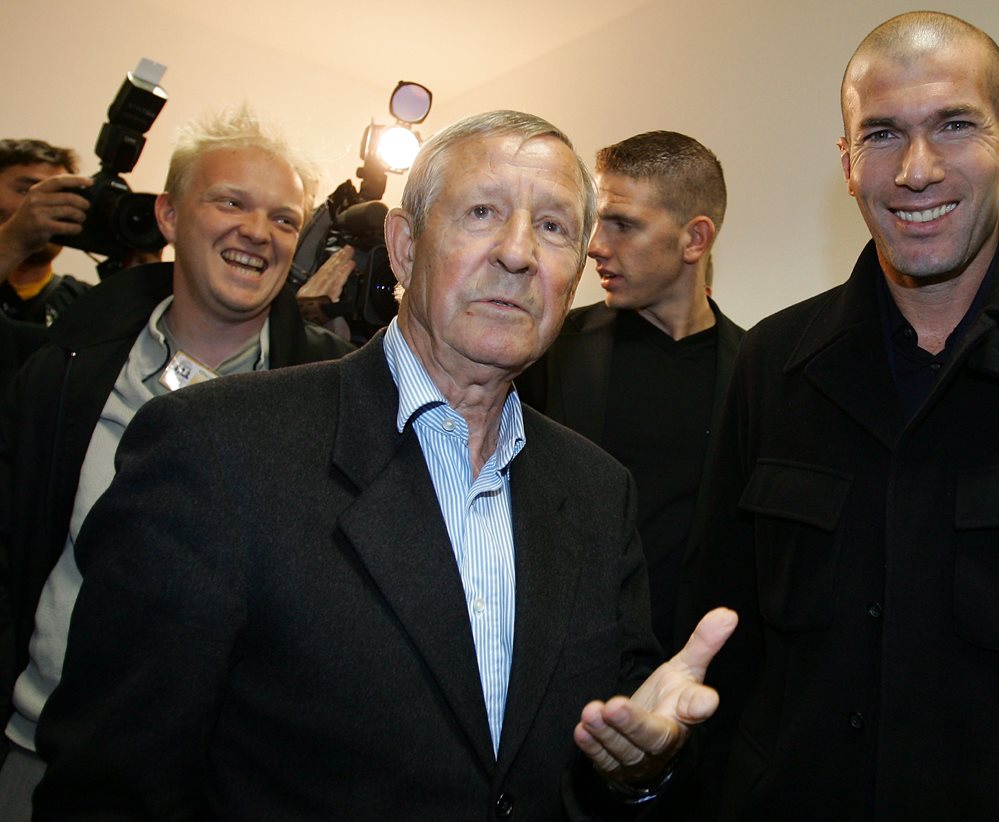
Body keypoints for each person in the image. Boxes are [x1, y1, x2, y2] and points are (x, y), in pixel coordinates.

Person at [30, 110, 736, 819]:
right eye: (483, 212)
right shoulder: (215, 451)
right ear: (403, 247)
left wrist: (645, 766)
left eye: (553, 227)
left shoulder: (597, 490)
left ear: (575, 275)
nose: (518, 253)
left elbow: (612, 733)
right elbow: (112, 784)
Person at [679, 11, 999, 819]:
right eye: (882, 134)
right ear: (847, 163)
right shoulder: (772, 363)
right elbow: (722, 648)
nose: (917, 170)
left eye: (955, 125)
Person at [0, 106, 354, 817]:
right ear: (167, 215)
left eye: (285, 219)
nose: (258, 232)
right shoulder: (65, 369)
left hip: (220, 785)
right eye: (231, 201)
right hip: (33, 754)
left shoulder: (333, 401)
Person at [518, 131, 743, 652]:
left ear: (695, 239)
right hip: (557, 664)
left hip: (691, 683)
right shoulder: (549, 350)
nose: (595, 244)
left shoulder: (756, 373)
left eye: (623, 224)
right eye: (597, 221)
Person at [0, 140, 92, 327]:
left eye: (61, 194)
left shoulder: (87, 303)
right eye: (26, 191)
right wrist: (13, 242)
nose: (48, 204)